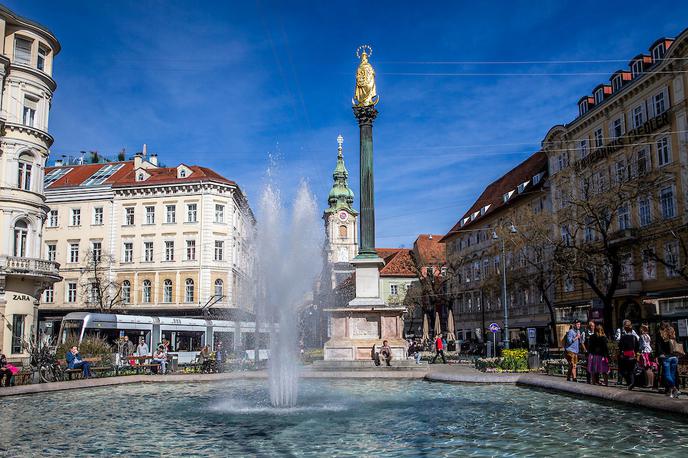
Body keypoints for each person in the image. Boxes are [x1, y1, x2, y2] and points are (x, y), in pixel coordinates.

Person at [657, 321, 681, 398]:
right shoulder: (672, 333)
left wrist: (659, 355)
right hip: (675, 357)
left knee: (667, 375)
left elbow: (659, 346)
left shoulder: (661, 334)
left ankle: (674, 388)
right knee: (672, 375)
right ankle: (671, 392)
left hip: (666, 357)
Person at [617, 320, 640, 390]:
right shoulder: (634, 337)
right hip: (633, 356)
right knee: (631, 370)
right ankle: (632, 383)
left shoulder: (623, 337)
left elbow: (620, 347)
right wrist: (637, 356)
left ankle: (630, 383)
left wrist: (620, 354)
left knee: (624, 371)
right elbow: (637, 348)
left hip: (625, 356)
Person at [583, 320, 595, 384]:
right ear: (589, 326)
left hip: (595, 352)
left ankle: (594, 379)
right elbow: (582, 342)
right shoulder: (585, 333)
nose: (593, 327)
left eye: (593, 326)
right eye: (592, 326)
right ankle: (588, 379)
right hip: (588, 352)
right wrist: (585, 349)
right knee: (589, 365)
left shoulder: (595, 333)